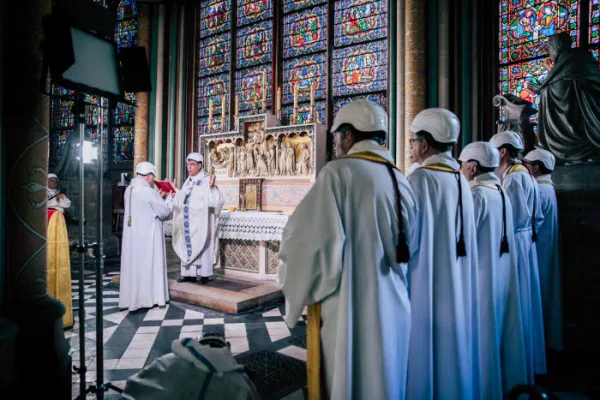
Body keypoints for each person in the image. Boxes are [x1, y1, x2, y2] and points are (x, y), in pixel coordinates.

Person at [278, 99, 418, 399]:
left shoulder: (338, 174)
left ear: (350, 136)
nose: (336, 144)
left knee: (351, 376)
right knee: (386, 375)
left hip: (349, 303)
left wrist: (293, 282)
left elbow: (309, 244)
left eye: (337, 136)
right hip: (393, 300)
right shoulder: (398, 178)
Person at [406, 108, 481, 400]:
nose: (411, 147)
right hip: (457, 277)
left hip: (426, 277)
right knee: (453, 345)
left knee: (426, 349)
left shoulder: (420, 179)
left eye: (413, 141)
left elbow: (407, 241)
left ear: (424, 144)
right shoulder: (460, 177)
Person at [459, 142, 528, 398]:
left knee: (481, 337)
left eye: (463, 165)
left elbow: (463, 239)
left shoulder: (476, 195)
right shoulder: (499, 191)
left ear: (473, 168)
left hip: (480, 277)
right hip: (498, 275)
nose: (462, 170)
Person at [490, 131, 546, 381]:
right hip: (524, 243)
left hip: (514, 243)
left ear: (502, 152)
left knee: (516, 303)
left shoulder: (512, 179)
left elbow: (507, 218)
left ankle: (514, 369)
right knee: (525, 303)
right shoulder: (525, 175)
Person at [122, 334, 260, 400]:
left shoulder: (166, 361)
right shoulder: (238, 380)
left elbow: (133, 387)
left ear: (198, 343)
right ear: (227, 348)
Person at [532, 32, 600, 163]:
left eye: (549, 47)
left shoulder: (578, 59)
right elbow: (558, 86)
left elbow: (590, 82)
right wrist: (543, 89)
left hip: (580, 117)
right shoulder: (567, 63)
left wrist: (544, 89)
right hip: (568, 117)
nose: (548, 51)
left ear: (558, 46)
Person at [523, 149, 563, 353]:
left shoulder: (538, 190)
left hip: (537, 255)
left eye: (526, 164)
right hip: (544, 253)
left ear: (536, 168)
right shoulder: (547, 187)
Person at [119, 162, 171, 312]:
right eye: (153, 177)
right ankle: (149, 298)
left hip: (134, 237)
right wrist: (167, 198)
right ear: (149, 177)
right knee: (148, 265)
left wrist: (157, 197)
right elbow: (164, 212)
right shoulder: (148, 192)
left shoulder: (130, 190)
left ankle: (133, 299)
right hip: (148, 238)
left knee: (135, 266)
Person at [170, 153, 224, 284]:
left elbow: (216, 202)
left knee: (203, 246)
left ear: (200, 166)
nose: (189, 167)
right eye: (188, 164)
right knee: (187, 246)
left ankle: (204, 275)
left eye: (192, 164)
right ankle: (189, 274)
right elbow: (182, 200)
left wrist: (211, 188)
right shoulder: (188, 182)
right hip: (188, 222)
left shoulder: (206, 180)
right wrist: (173, 191)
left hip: (201, 224)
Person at [46, 172, 73, 328]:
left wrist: (58, 201)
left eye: (55, 180)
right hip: (49, 221)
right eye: (51, 180)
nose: (54, 182)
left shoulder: (60, 194)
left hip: (59, 222)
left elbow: (67, 204)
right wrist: (56, 202)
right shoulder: (44, 192)